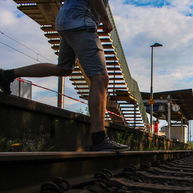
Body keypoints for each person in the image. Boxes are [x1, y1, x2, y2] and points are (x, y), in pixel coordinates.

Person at [0, 0, 129, 151]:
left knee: (64, 68)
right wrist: (105, 18)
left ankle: (7, 75)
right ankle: (99, 138)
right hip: (81, 21)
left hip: (66, 20)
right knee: (100, 78)